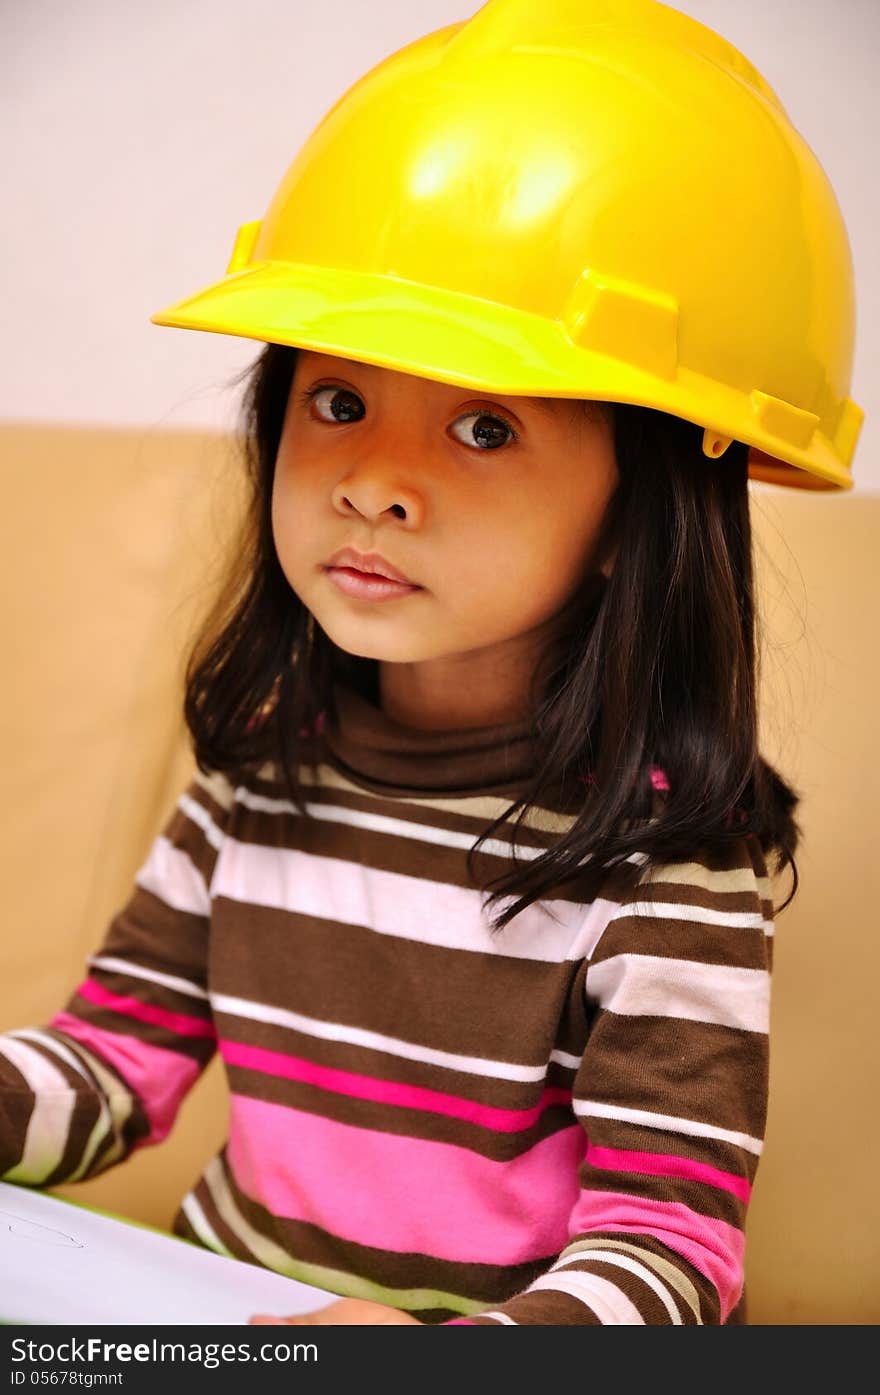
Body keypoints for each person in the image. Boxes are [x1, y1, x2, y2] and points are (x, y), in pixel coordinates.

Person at [0, 0, 862, 1327]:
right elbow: (108, 1070)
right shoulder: (257, 775)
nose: (376, 485)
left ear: (642, 519)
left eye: (480, 424)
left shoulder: (666, 863)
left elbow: (671, 1254)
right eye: (337, 402)